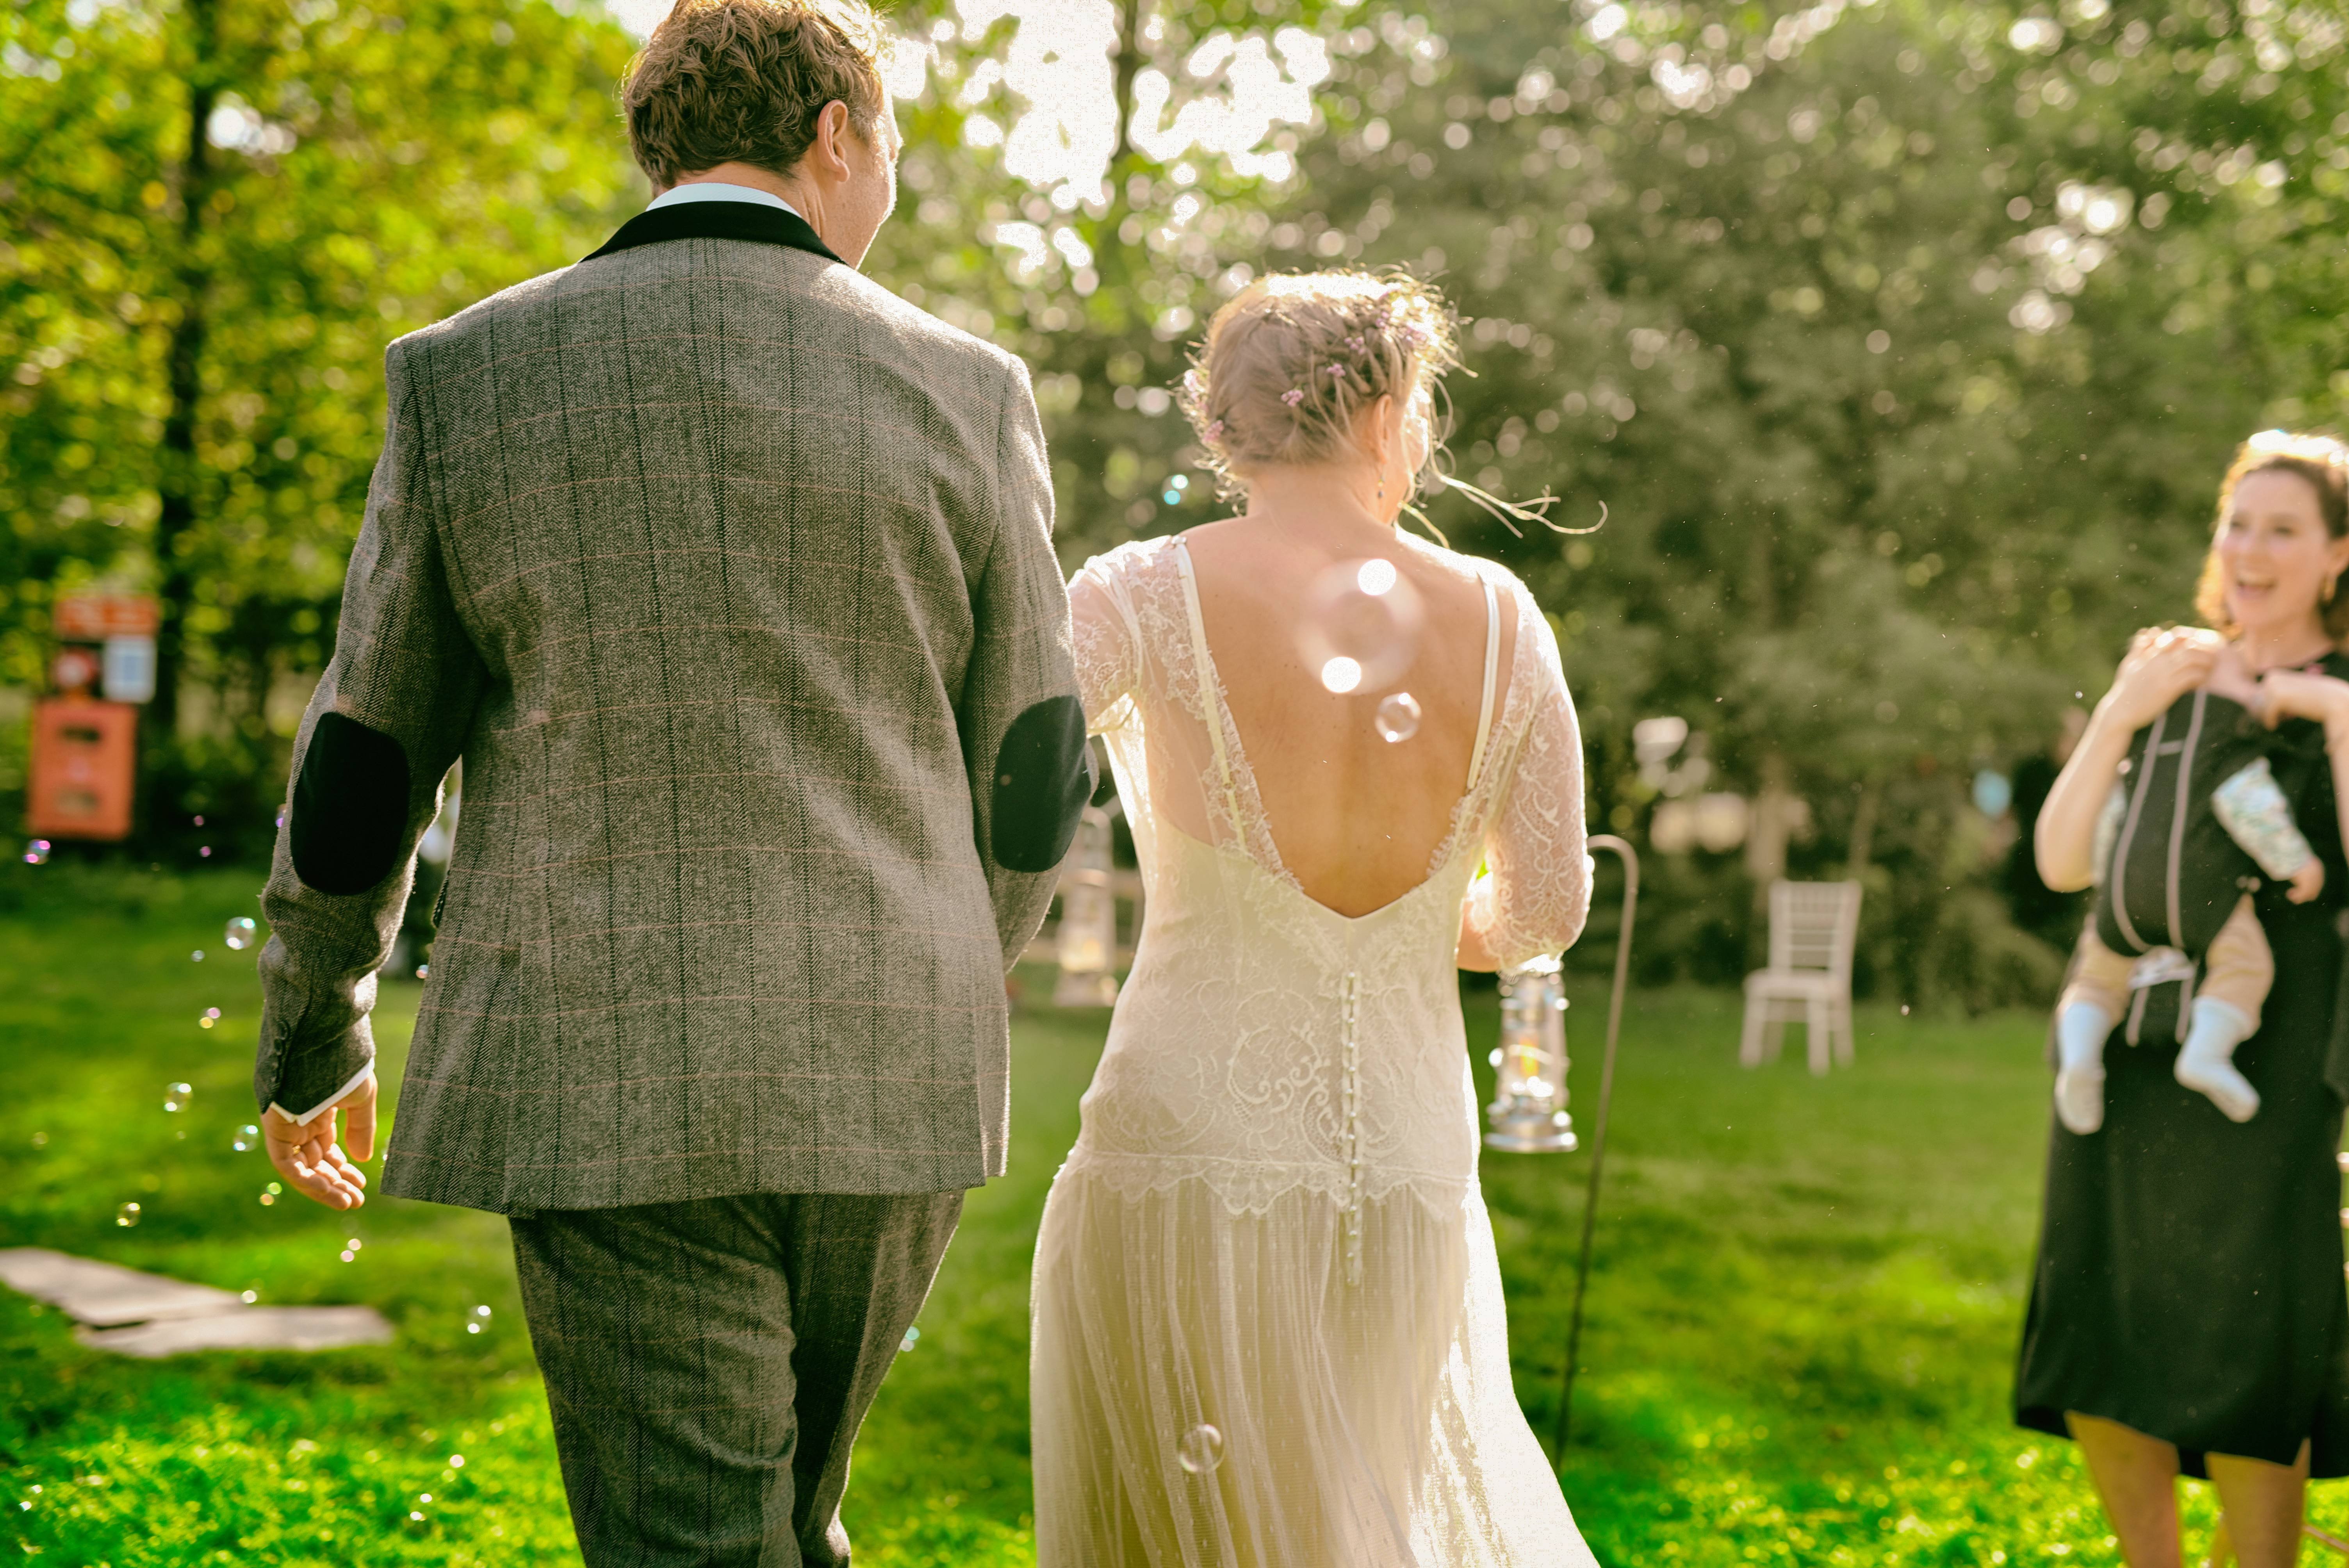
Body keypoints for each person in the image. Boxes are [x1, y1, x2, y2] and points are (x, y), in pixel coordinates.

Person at [249, 1, 1092, 1562]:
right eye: (890, 139)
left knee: (705, 1535)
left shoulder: (467, 375)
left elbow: (367, 746)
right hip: (899, 1057)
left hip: (599, 1045)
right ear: (834, 133)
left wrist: (318, 1016)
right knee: (778, 1515)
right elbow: (1040, 760)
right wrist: (947, 957)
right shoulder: (970, 388)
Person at [1029, 272, 1598, 1566]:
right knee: (1361, 1526)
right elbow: (1544, 910)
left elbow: (1005, 764)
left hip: (1182, 1137)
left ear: (1220, 427)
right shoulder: (1504, 617)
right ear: (1391, 410)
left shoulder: (1134, 590)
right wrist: (1419, 928)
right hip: (1403, 1158)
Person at [2016, 430, 2349, 1568]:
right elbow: (2061, 864)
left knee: (2254, 1343)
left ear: (2336, 556)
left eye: (2282, 529)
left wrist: (2327, 716)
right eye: (2236, 522)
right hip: (2124, 1049)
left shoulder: (2347, 695)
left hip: (2271, 1057)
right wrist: (2119, 708)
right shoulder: (2166, 674)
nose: (2249, 549)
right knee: (2100, 1332)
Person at [2048, 638, 2326, 1133]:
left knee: (2096, 977)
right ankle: (2207, 1051)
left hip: (2121, 895)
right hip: (2202, 899)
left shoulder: (2145, 749)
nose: (2258, 685)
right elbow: (2254, 813)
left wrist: (2113, 878)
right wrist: (2298, 864)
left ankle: (2079, 1056)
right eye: (2245, 677)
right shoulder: (2225, 744)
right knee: (2244, 965)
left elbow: (2111, 820)